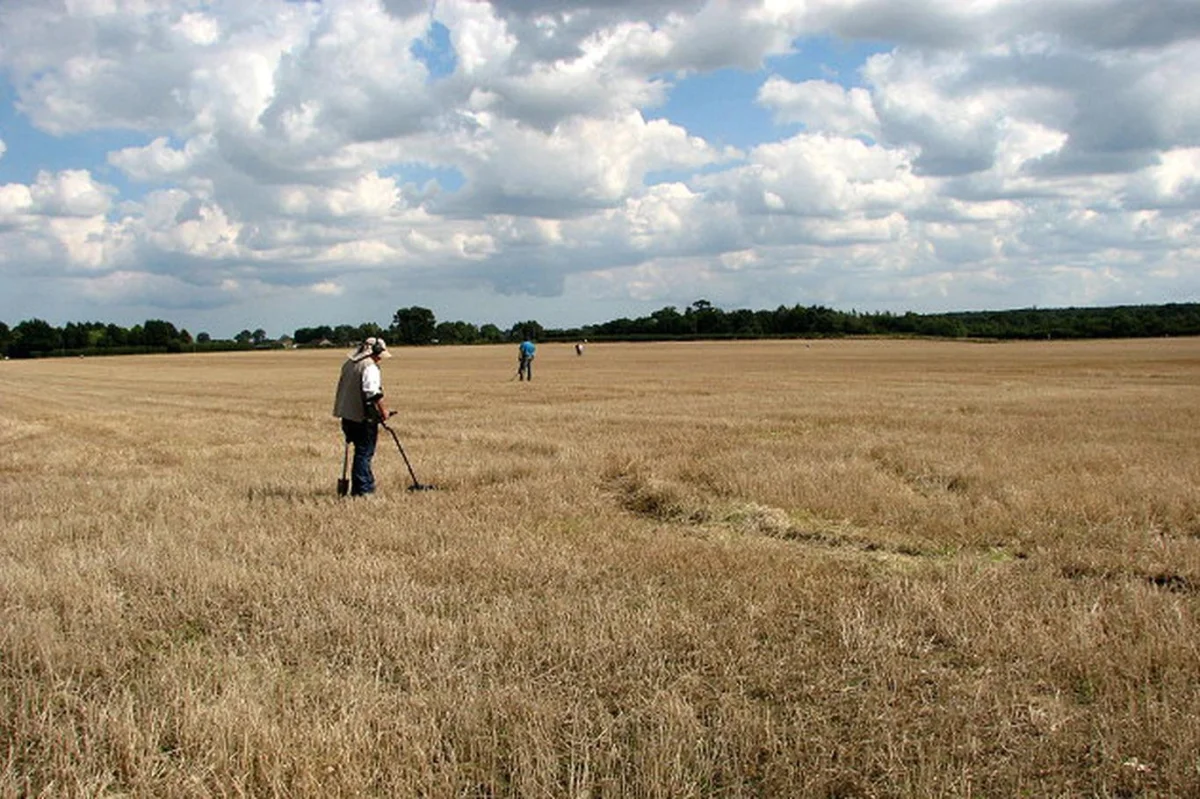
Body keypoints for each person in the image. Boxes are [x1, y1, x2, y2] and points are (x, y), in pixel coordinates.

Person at [332, 337, 394, 496]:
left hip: (347, 417)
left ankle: (358, 489)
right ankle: (364, 490)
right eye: (380, 354)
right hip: (363, 418)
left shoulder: (349, 364)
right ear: (375, 351)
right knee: (364, 453)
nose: (380, 358)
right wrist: (383, 412)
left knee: (359, 452)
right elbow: (372, 393)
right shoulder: (369, 367)